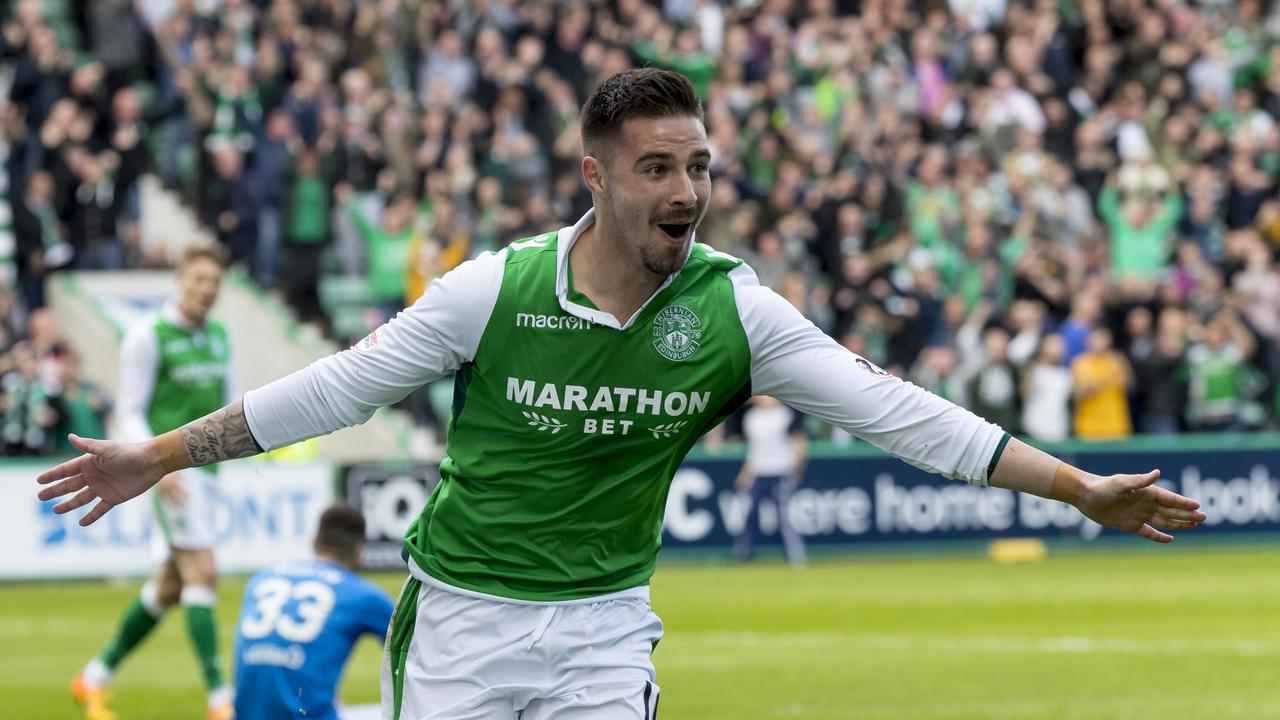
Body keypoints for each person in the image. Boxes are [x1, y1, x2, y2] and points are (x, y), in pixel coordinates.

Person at [39, 70, 1205, 720]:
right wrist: (163, 456)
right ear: (594, 178)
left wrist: (1072, 489)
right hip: (460, 624)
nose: (685, 188)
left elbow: (899, 414)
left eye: (697, 164)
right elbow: (333, 392)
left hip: (603, 632)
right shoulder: (490, 291)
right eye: (657, 167)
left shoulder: (733, 309)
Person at [69, 245, 235, 720]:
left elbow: (230, 404)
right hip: (172, 475)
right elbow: (129, 410)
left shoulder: (221, 335)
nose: (206, 289)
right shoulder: (149, 335)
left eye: (214, 283)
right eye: (198, 279)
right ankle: (220, 700)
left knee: (171, 586)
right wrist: (154, 466)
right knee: (202, 570)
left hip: (210, 474)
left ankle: (93, 678)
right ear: (180, 279)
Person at [233, 504, 393, 720]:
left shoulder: (261, 578)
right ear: (359, 550)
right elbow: (414, 648)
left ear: (315, 541)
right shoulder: (361, 594)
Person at [733, 395, 807, 565]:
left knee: (783, 517)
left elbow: (798, 442)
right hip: (759, 472)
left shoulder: (785, 415)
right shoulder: (751, 417)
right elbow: (754, 450)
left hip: (781, 471)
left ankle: (795, 555)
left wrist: (796, 469)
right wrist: (746, 473)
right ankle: (744, 554)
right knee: (751, 514)